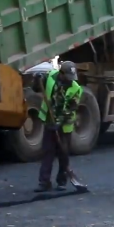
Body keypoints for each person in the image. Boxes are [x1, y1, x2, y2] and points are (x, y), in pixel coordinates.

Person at [35, 61, 83, 192]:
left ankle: (62, 181)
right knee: (47, 151)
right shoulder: (50, 76)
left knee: (63, 153)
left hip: (64, 126)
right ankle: (44, 182)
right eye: (67, 77)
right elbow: (39, 86)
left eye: (71, 78)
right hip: (49, 120)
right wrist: (37, 79)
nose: (70, 81)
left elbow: (71, 109)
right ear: (61, 73)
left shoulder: (76, 88)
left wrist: (59, 122)